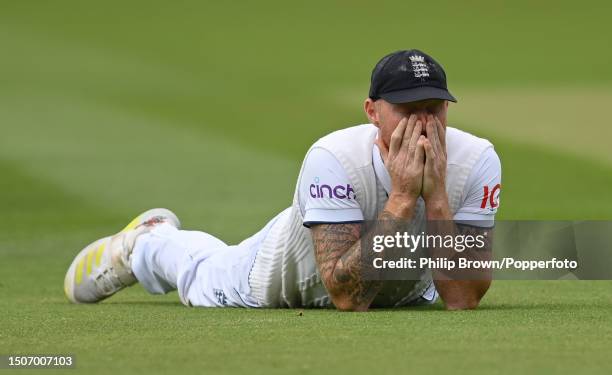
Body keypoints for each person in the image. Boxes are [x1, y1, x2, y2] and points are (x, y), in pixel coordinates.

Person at [64, 49, 502, 311]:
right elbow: (347, 296)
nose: (423, 124)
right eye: (407, 110)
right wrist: (405, 197)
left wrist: (439, 198)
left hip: (401, 296)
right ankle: (148, 242)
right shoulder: (333, 157)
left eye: (434, 107)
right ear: (372, 112)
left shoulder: (476, 159)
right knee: (200, 272)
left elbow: (462, 298)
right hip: (279, 278)